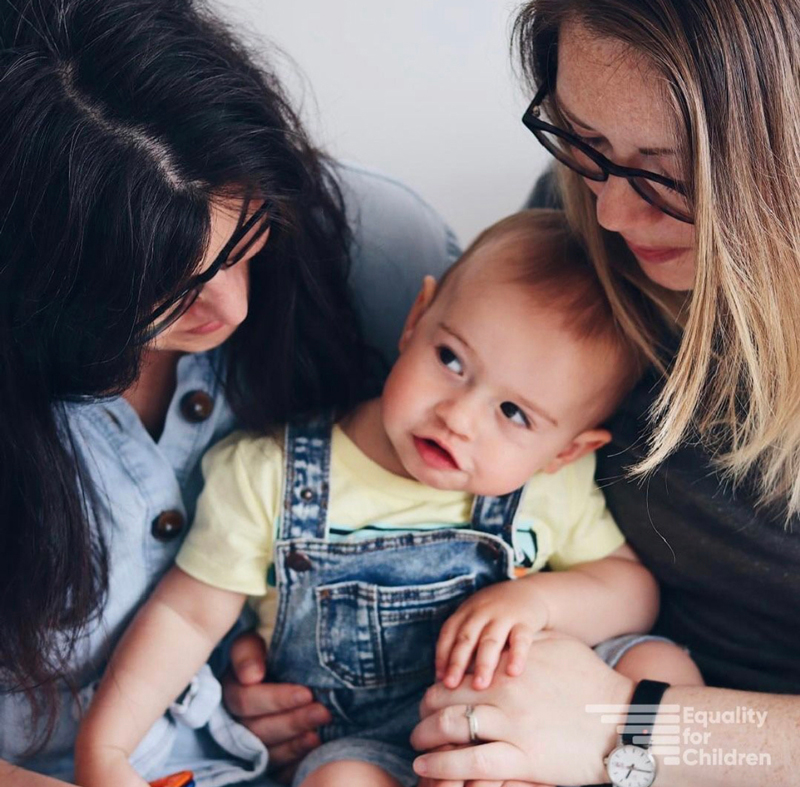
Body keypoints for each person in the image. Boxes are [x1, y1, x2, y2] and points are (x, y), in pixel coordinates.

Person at [73, 209, 704, 787]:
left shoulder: (548, 485)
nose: (459, 417)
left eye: (513, 413)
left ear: (566, 450)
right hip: (374, 745)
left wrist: (536, 601)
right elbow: (185, 618)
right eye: (453, 360)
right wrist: (105, 749)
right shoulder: (268, 473)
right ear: (415, 320)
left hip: (539, 710)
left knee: (657, 665)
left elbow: (631, 591)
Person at [0, 0, 458, 785]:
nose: (235, 310)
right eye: (166, 293)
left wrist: (242, 673)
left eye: (246, 242)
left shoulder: (374, 253)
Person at [410, 1, 800, 786]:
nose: (614, 213)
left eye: (670, 173)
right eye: (586, 143)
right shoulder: (577, 216)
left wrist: (626, 725)